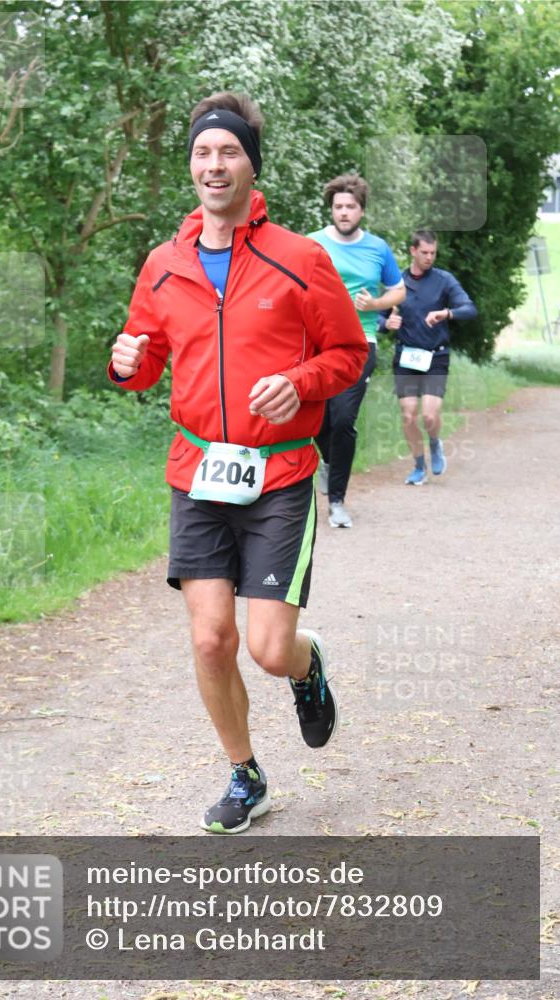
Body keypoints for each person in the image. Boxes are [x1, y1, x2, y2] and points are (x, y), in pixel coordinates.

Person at [109, 92, 367, 834]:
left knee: (266, 647)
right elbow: (145, 357)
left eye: (227, 152)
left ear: (252, 164)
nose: (213, 165)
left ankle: (306, 663)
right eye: (201, 153)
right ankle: (243, 772)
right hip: (197, 473)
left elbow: (347, 354)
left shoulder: (300, 259)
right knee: (209, 638)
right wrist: (125, 362)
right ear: (189, 165)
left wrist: (299, 383)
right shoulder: (162, 265)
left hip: (279, 475)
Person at [307, 174, 405, 528]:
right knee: (319, 420)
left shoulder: (377, 248)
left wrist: (376, 302)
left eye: (350, 207)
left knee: (344, 420)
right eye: (338, 207)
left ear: (361, 211)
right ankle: (328, 462)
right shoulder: (311, 244)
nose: (344, 212)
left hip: (361, 342)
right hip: (316, 344)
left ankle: (337, 502)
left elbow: (399, 290)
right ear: (331, 209)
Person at [380, 229, 477, 484]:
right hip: (407, 356)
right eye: (424, 252)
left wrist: (446, 313)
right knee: (408, 414)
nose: (429, 257)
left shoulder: (444, 280)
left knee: (430, 416)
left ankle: (434, 443)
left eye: (433, 253)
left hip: (436, 357)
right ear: (413, 251)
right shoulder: (397, 282)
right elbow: (377, 313)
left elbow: (469, 309)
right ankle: (419, 466)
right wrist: (386, 323)